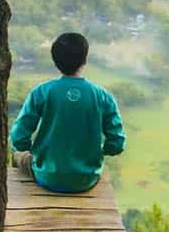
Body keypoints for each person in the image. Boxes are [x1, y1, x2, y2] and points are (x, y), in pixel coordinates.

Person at [9, 32, 126, 193]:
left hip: (46, 176)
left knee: (17, 154)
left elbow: (18, 137)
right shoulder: (102, 96)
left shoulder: (41, 92)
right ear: (84, 60)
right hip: (87, 179)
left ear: (55, 60)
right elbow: (117, 143)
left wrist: (32, 153)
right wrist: (97, 151)